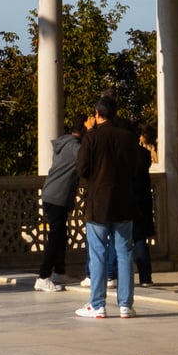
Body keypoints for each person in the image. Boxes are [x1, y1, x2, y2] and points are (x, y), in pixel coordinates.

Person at [72, 94, 146, 320]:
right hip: (124, 202)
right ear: (115, 114)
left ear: (96, 114)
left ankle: (97, 304)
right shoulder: (128, 138)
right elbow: (135, 168)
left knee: (98, 254)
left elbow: (82, 169)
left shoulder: (92, 137)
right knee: (124, 253)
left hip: (99, 204)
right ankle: (125, 305)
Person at [33, 116, 82, 292]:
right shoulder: (76, 147)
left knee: (61, 234)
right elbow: (86, 162)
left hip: (52, 193)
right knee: (56, 237)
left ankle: (59, 271)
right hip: (57, 196)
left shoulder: (64, 143)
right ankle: (43, 276)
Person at [132, 122, 158, 286]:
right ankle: (146, 277)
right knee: (140, 239)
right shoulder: (143, 154)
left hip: (129, 200)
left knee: (122, 242)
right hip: (143, 199)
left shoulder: (125, 153)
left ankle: (116, 275)